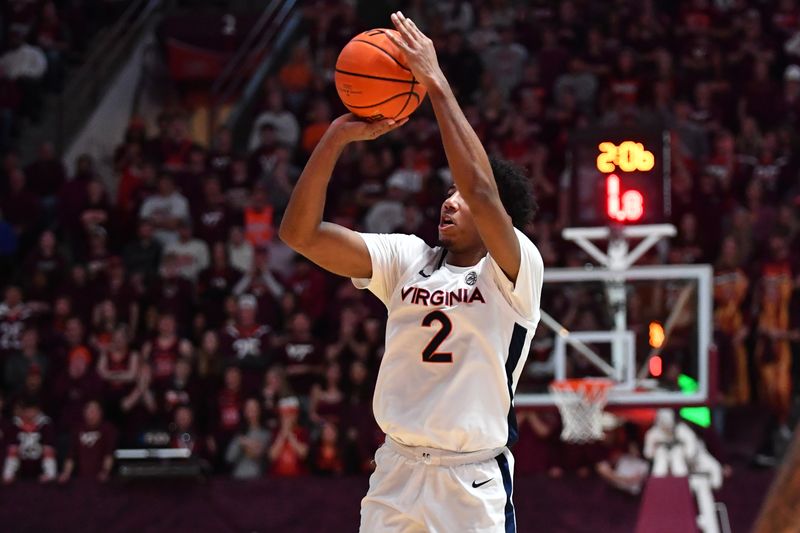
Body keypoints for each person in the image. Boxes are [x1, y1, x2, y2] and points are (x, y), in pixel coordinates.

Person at [280, 13, 542, 532]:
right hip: (397, 469)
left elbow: (484, 191)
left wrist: (436, 84)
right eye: (447, 194)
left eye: (461, 198)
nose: (450, 203)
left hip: (471, 481)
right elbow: (300, 235)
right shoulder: (406, 258)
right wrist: (335, 137)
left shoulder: (515, 269)